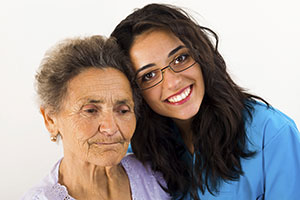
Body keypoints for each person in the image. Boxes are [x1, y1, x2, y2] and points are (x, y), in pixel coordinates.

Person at [111, 3, 300, 200]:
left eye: (180, 58)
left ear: (201, 54)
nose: (173, 82)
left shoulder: (272, 134)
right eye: (149, 75)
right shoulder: (137, 152)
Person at [21, 35, 170, 200]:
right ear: (50, 120)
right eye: (91, 110)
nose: (111, 127)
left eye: (123, 110)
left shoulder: (157, 178)